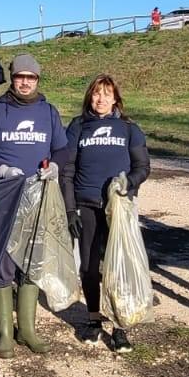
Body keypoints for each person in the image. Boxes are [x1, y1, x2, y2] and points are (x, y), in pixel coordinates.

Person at [0, 53, 69, 357]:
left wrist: (55, 166)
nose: (25, 82)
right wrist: (1, 169)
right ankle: (6, 334)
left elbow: (62, 149)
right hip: (4, 197)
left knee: (32, 261)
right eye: (20, 76)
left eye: (31, 77)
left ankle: (27, 330)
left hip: (37, 197)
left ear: (37, 79)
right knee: (3, 262)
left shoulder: (48, 112)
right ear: (12, 78)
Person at [62, 74, 150, 353]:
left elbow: (142, 166)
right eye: (96, 93)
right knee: (89, 266)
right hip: (86, 204)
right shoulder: (78, 126)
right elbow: (67, 169)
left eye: (107, 94)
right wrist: (70, 208)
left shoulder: (129, 129)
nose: (101, 99)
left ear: (115, 99)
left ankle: (119, 326)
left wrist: (128, 182)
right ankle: (93, 318)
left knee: (118, 266)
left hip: (118, 207)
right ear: (90, 96)